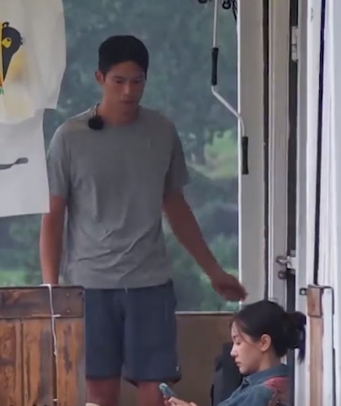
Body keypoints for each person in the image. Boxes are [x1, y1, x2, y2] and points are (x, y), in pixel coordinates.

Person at [39, 34, 248, 406]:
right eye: (119, 81)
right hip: (90, 285)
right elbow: (53, 217)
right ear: (100, 78)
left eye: (137, 81)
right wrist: (50, 289)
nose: (128, 91)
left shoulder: (161, 131)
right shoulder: (69, 138)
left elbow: (176, 207)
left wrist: (214, 271)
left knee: (157, 389)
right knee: (99, 391)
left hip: (150, 282)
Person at [165, 300, 307, 406]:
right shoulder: (281, 383)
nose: (233, 352)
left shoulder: (260, 394)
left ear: (264, 343)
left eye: (238, 342)